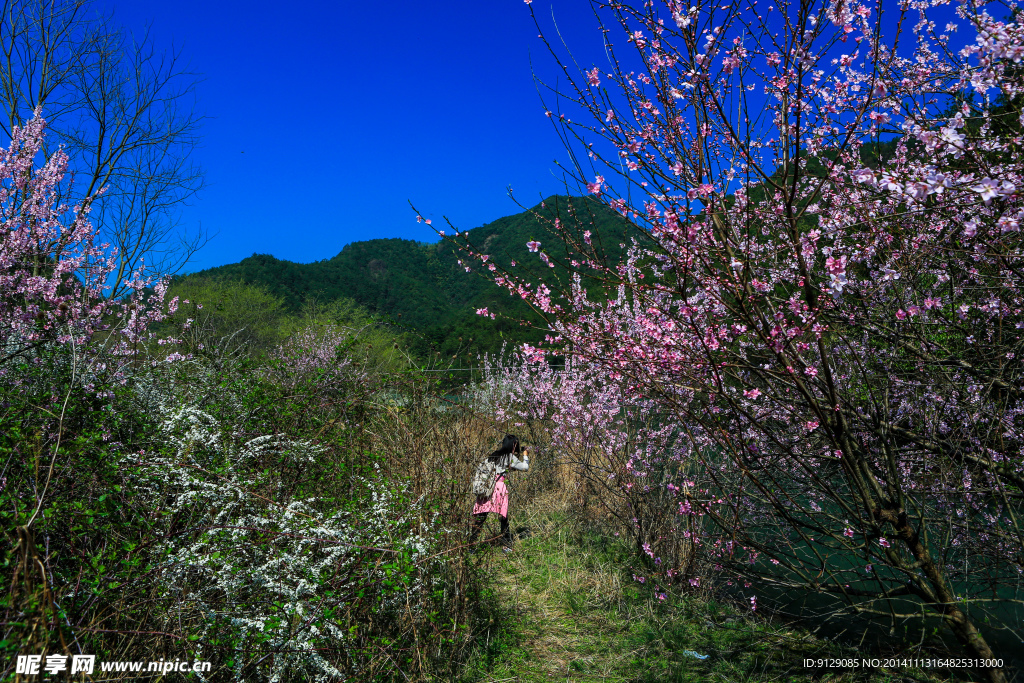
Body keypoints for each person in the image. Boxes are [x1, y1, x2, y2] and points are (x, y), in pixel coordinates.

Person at [469, 434, 529, 552]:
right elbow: (525, 467)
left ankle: (471, 545)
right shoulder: (509, 457)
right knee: (503, 517)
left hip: (487, 488)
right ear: (514, 445)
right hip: (499, 488)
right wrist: (525, 455)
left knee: (481, 517)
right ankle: (506, 545)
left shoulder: (493, 456)